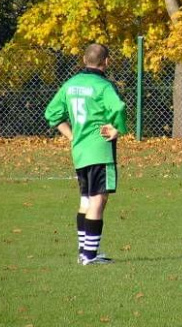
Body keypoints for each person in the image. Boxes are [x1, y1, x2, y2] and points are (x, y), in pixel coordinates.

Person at [44, 43, 127, 265]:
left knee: (85, 200)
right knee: (98, 200)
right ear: (106, 62)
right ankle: (89, 256)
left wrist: (72, 137)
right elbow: (118, 108)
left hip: (79, 151)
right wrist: (119, 128)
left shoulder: (70, 85)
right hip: (100, 150)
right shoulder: (103, 86)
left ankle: (84, 252)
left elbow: (51, 113)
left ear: (84, 59)